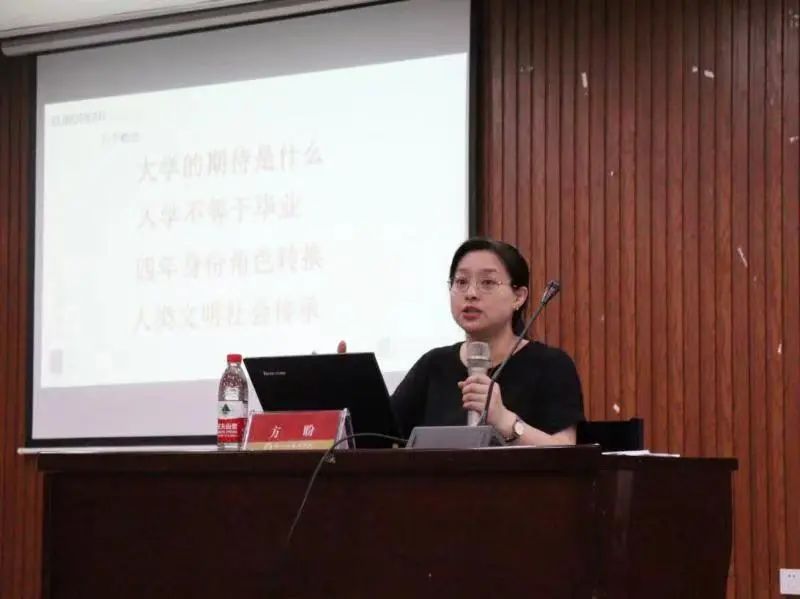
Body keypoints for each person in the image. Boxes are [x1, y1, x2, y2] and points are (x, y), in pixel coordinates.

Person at [340, 238, 584, 445]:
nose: (471, 293)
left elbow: (567, 452)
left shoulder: (551, 366)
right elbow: (378, 438)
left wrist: (505, 420)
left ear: (518, 297)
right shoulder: (433, 365)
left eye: (487, 283)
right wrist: (347, 385)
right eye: (461, 282)